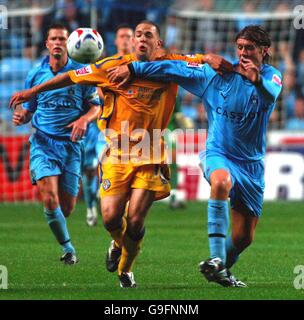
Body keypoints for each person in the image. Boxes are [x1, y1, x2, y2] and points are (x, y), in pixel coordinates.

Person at [10, 20, 231, 288]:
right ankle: (117, 243)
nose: (141, 39)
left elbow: (200, 61)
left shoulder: (172, 64)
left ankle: (125, 271)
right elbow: (71, 76)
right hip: (117, 154)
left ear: (158, 43)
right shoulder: (111, 66)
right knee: (111, 218)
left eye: (148, 35)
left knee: (136, 221)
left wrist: (209, 57)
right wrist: (31, 92)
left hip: (150, 154)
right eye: (138, 34)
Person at [108, 25, 283, 287]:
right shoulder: (217, 75)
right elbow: (170, 67)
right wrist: (133, 68)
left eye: (250, 48)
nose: (244, 53)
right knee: (221, 182)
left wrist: (256, 80)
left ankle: (223, 268)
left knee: (244, 237)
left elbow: (271, 92)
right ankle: (215, 259)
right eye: (240, 47)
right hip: (219, 153)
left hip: (252, 165)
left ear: (264, 51)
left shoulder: (271, 76)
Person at [11, 23, 101, 264]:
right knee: (49, 197)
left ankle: (65, 236)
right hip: (43, 143)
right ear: (47, 44)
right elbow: (30, 110)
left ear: (69, 44)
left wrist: (84, 119)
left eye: (62, 38)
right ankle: (69, 248)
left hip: (71, 146)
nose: (58, 43)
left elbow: (95, 107)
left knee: (67, 207)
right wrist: (22, 117)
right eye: (54, 39)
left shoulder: (81, 74)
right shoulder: (35, 74)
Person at [84, 24, 134, 227]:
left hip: (131, 132)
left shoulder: (139, 65)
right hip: (103, 128)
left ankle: (118, 211)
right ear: (115, 40)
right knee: (90, 168)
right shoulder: (107, 65)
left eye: (128, 36)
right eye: (121, 35)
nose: (125, 39)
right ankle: (90, 207)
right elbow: (98, 95)